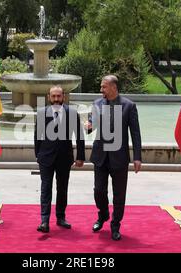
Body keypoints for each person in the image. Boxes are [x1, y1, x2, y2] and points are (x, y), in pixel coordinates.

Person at [85, 75, 142, 241]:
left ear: (114, 88)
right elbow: (91, 125)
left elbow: (136, 134)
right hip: (100, 156)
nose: (101, 90)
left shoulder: (129, 106)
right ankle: (103, 215)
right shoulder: (96, 104)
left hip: (119, 157)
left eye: (104, 87)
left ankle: (115, 224)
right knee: (98, 191)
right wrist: (88, 126)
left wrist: (137, 157)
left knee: (119, 195)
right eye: (101, 87)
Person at [34, 85, 85, 233]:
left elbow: (79, 136)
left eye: (59, 96)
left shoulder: (72, 113)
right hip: (46, 158)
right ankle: (44, 221)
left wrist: (80, 156)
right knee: (46, 188)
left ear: (63, 97)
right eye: (53, 96)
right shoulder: (42, 113)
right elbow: (37, 136)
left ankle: (61, 217)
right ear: (49, 97)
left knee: (62, 189)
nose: (56, 99)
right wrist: (38, 155)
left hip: (65, 158)